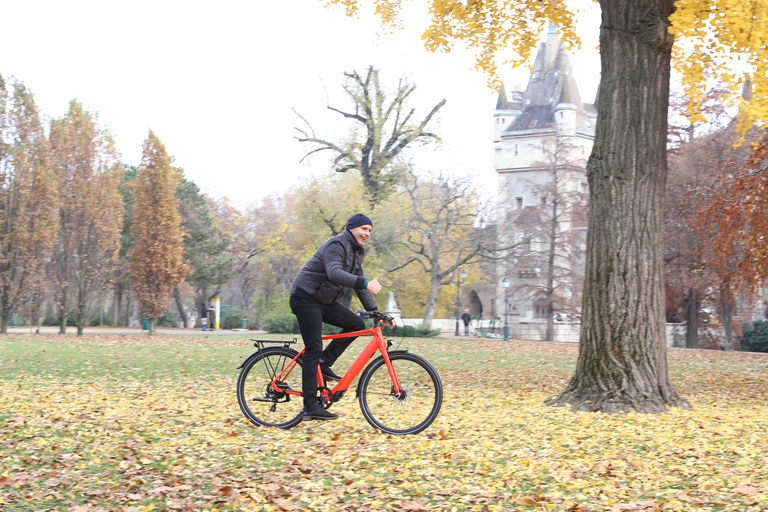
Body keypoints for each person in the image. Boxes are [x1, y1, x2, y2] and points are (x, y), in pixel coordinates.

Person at [289, 213, 391, 421]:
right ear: (352, 228)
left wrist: (375, 312)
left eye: (370, 230)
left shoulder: (355, 252)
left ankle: (324, 363)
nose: (367, 234)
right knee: (313, 348)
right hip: (305, 297)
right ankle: (310, 406)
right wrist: (365, 284)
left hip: (323, 300)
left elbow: (358, 281)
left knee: (355, 323)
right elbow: (335, 273)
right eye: (364, 229)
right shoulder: (336, 245)